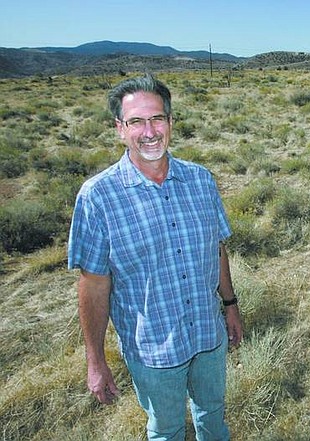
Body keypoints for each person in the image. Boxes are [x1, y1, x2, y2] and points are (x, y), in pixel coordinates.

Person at [68, 73, 243, 440]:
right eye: (136, 121)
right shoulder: (98, 196)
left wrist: (230, 305)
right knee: (166, 430)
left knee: (213, 414)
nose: (149, 131)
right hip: (153, 350)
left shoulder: (200, 180)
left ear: (170, 123)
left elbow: (217, 247)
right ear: (120, 128)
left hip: (208, 335)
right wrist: (95, 361)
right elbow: (94, 284)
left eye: (157, 118)